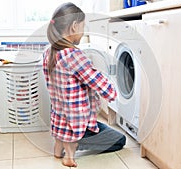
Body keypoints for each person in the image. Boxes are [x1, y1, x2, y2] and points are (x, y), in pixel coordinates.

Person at [42, 2, 126, 167]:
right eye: (83, 27)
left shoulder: (49, 52)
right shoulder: (73, 55)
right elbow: (96, 80)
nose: (83, 31)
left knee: (79, 125)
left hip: (59, 119)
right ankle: (72, 147)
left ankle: (60, 147)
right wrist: (113, 92)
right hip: (76, 122)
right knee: (119, 140)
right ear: (74, 26)